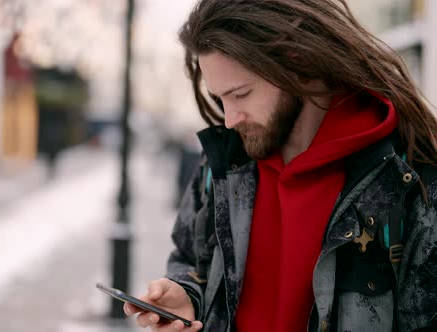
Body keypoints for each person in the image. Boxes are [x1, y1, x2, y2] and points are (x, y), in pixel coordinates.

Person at [123, 0, 437, 331]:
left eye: (241, 94)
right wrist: (189, 296)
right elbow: (190, 259)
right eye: (220, 98)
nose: (230, 119)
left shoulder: (409, 181)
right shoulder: (224, 165)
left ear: (297, 63)